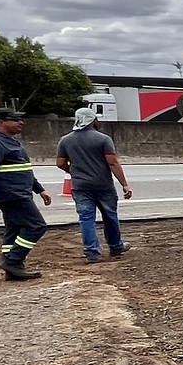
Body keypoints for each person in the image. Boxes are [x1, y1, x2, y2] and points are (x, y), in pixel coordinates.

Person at [0, 107, 53, 280]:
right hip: (11, 194)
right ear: (1, 122)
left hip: (19, 191)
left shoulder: (10, 141)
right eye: (15, 120)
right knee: (36, 226)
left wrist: (39, 189)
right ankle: (13, 261)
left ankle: (12, 269)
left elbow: (22, 169)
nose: (20, 123)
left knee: (14, 229)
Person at [55, 106, 134, 263]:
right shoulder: (103, 139)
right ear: (92, 120)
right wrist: (124, 184)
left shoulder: (65, 140)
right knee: (110, 216)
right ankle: (115, 246)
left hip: (80, 187)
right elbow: (112, 163)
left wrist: (73, 171)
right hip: (103, 185)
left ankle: (91, 252)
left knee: (86, 218)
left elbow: (60, 163)